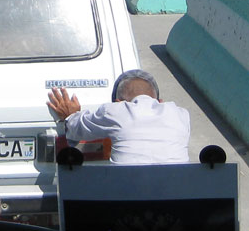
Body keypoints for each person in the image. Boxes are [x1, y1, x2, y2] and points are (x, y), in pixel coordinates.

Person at [46, 69, 190, 165]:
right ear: (159, 102)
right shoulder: (181, 115)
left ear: (118, 102)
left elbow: (74, 128)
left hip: (126, 196)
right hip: (177, 194)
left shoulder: (116, 111)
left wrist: (70, 116)